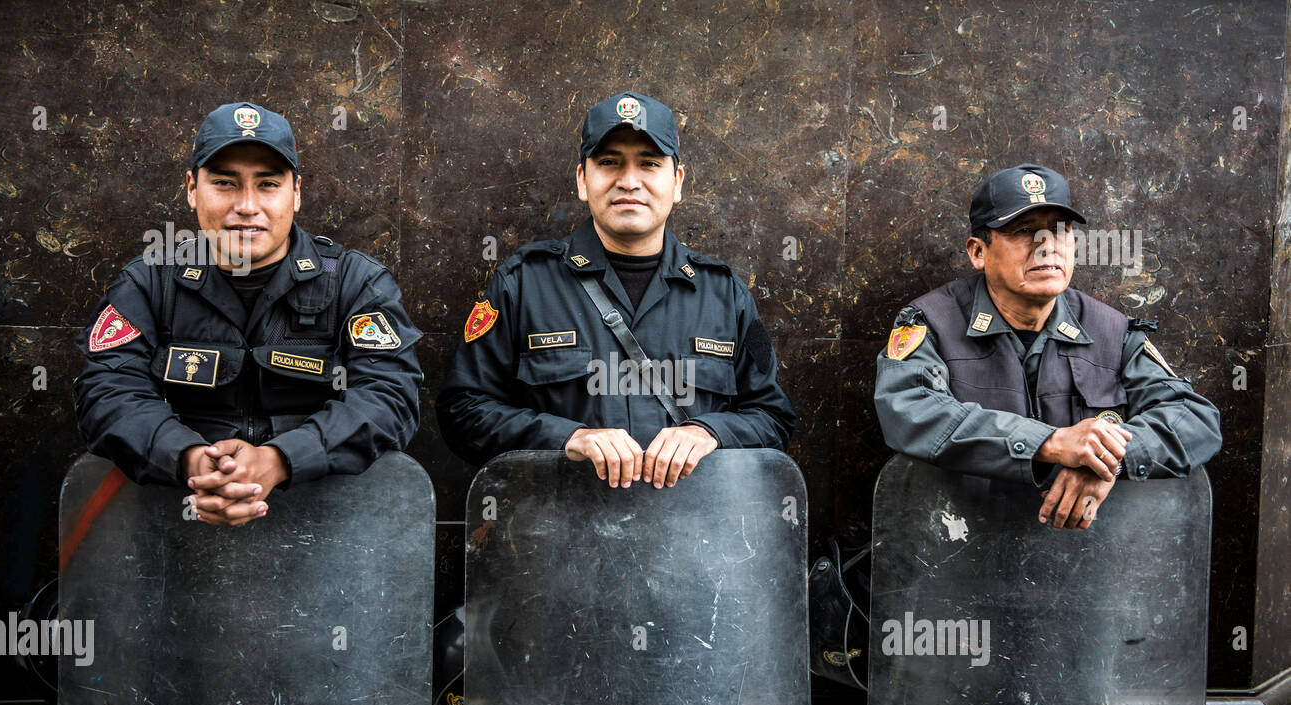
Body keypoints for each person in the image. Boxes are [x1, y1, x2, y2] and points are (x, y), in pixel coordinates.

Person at [74, 102, 422, 526]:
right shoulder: (148, 284)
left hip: (329, 536)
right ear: (191, 188)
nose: (247, 205)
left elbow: (389, 397)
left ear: (296, 193)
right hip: (174, 530)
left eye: (268, 184)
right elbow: (107, 393)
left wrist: (281, 460)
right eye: (224, 183)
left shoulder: (357, 284)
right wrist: (188, 459)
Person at [436, 92, 795, 488]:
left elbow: (773, 418)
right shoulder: (522, 285)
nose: (628, 181)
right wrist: (568, 438)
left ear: (676, 182)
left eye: (649, 163)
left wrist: (709, 432)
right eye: (609, 162)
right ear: (582, 180)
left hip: (693, 538)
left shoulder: (725, 296)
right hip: (557, 533)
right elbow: (462, 413)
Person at [874, 163, 1221, 530]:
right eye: (1024, 231)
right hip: (958, 548)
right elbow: (908, 410)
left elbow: (1195, 418)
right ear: (978, 252)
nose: (1047, 246)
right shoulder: (932, 322)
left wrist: (1108, 460)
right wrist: (1049, 443)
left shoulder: (1111, 330)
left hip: (1084, 560)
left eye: (1061, 231)